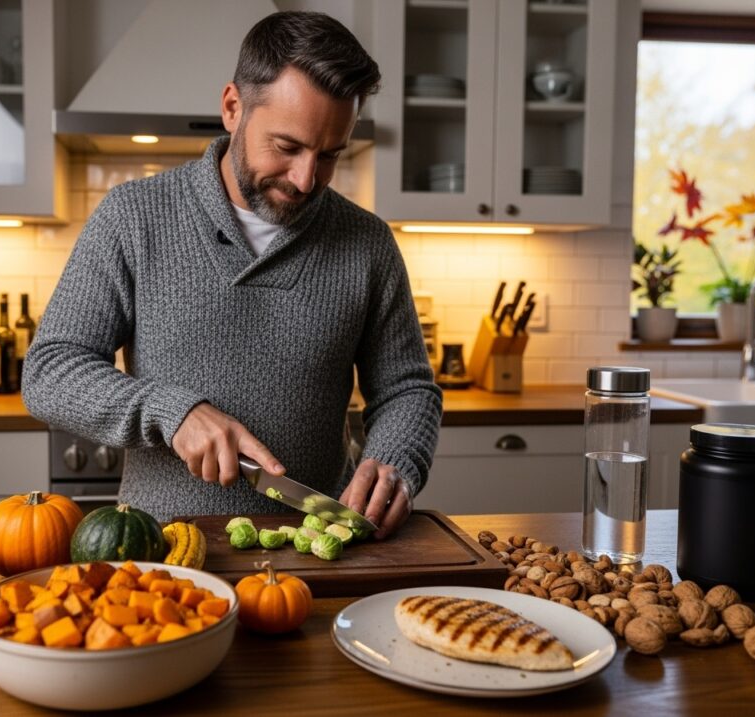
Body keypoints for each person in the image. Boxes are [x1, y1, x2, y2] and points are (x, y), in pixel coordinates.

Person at [23, 11, 442, 539]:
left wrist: (396, 460)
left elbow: (408, 388)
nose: (307, 179)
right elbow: (49, 371)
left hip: (317, 549)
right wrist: (171, 412)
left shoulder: (368, 243)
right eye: (287, 147)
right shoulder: (133, 216)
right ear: (232, 108)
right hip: (163, 551)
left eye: (330, 155)